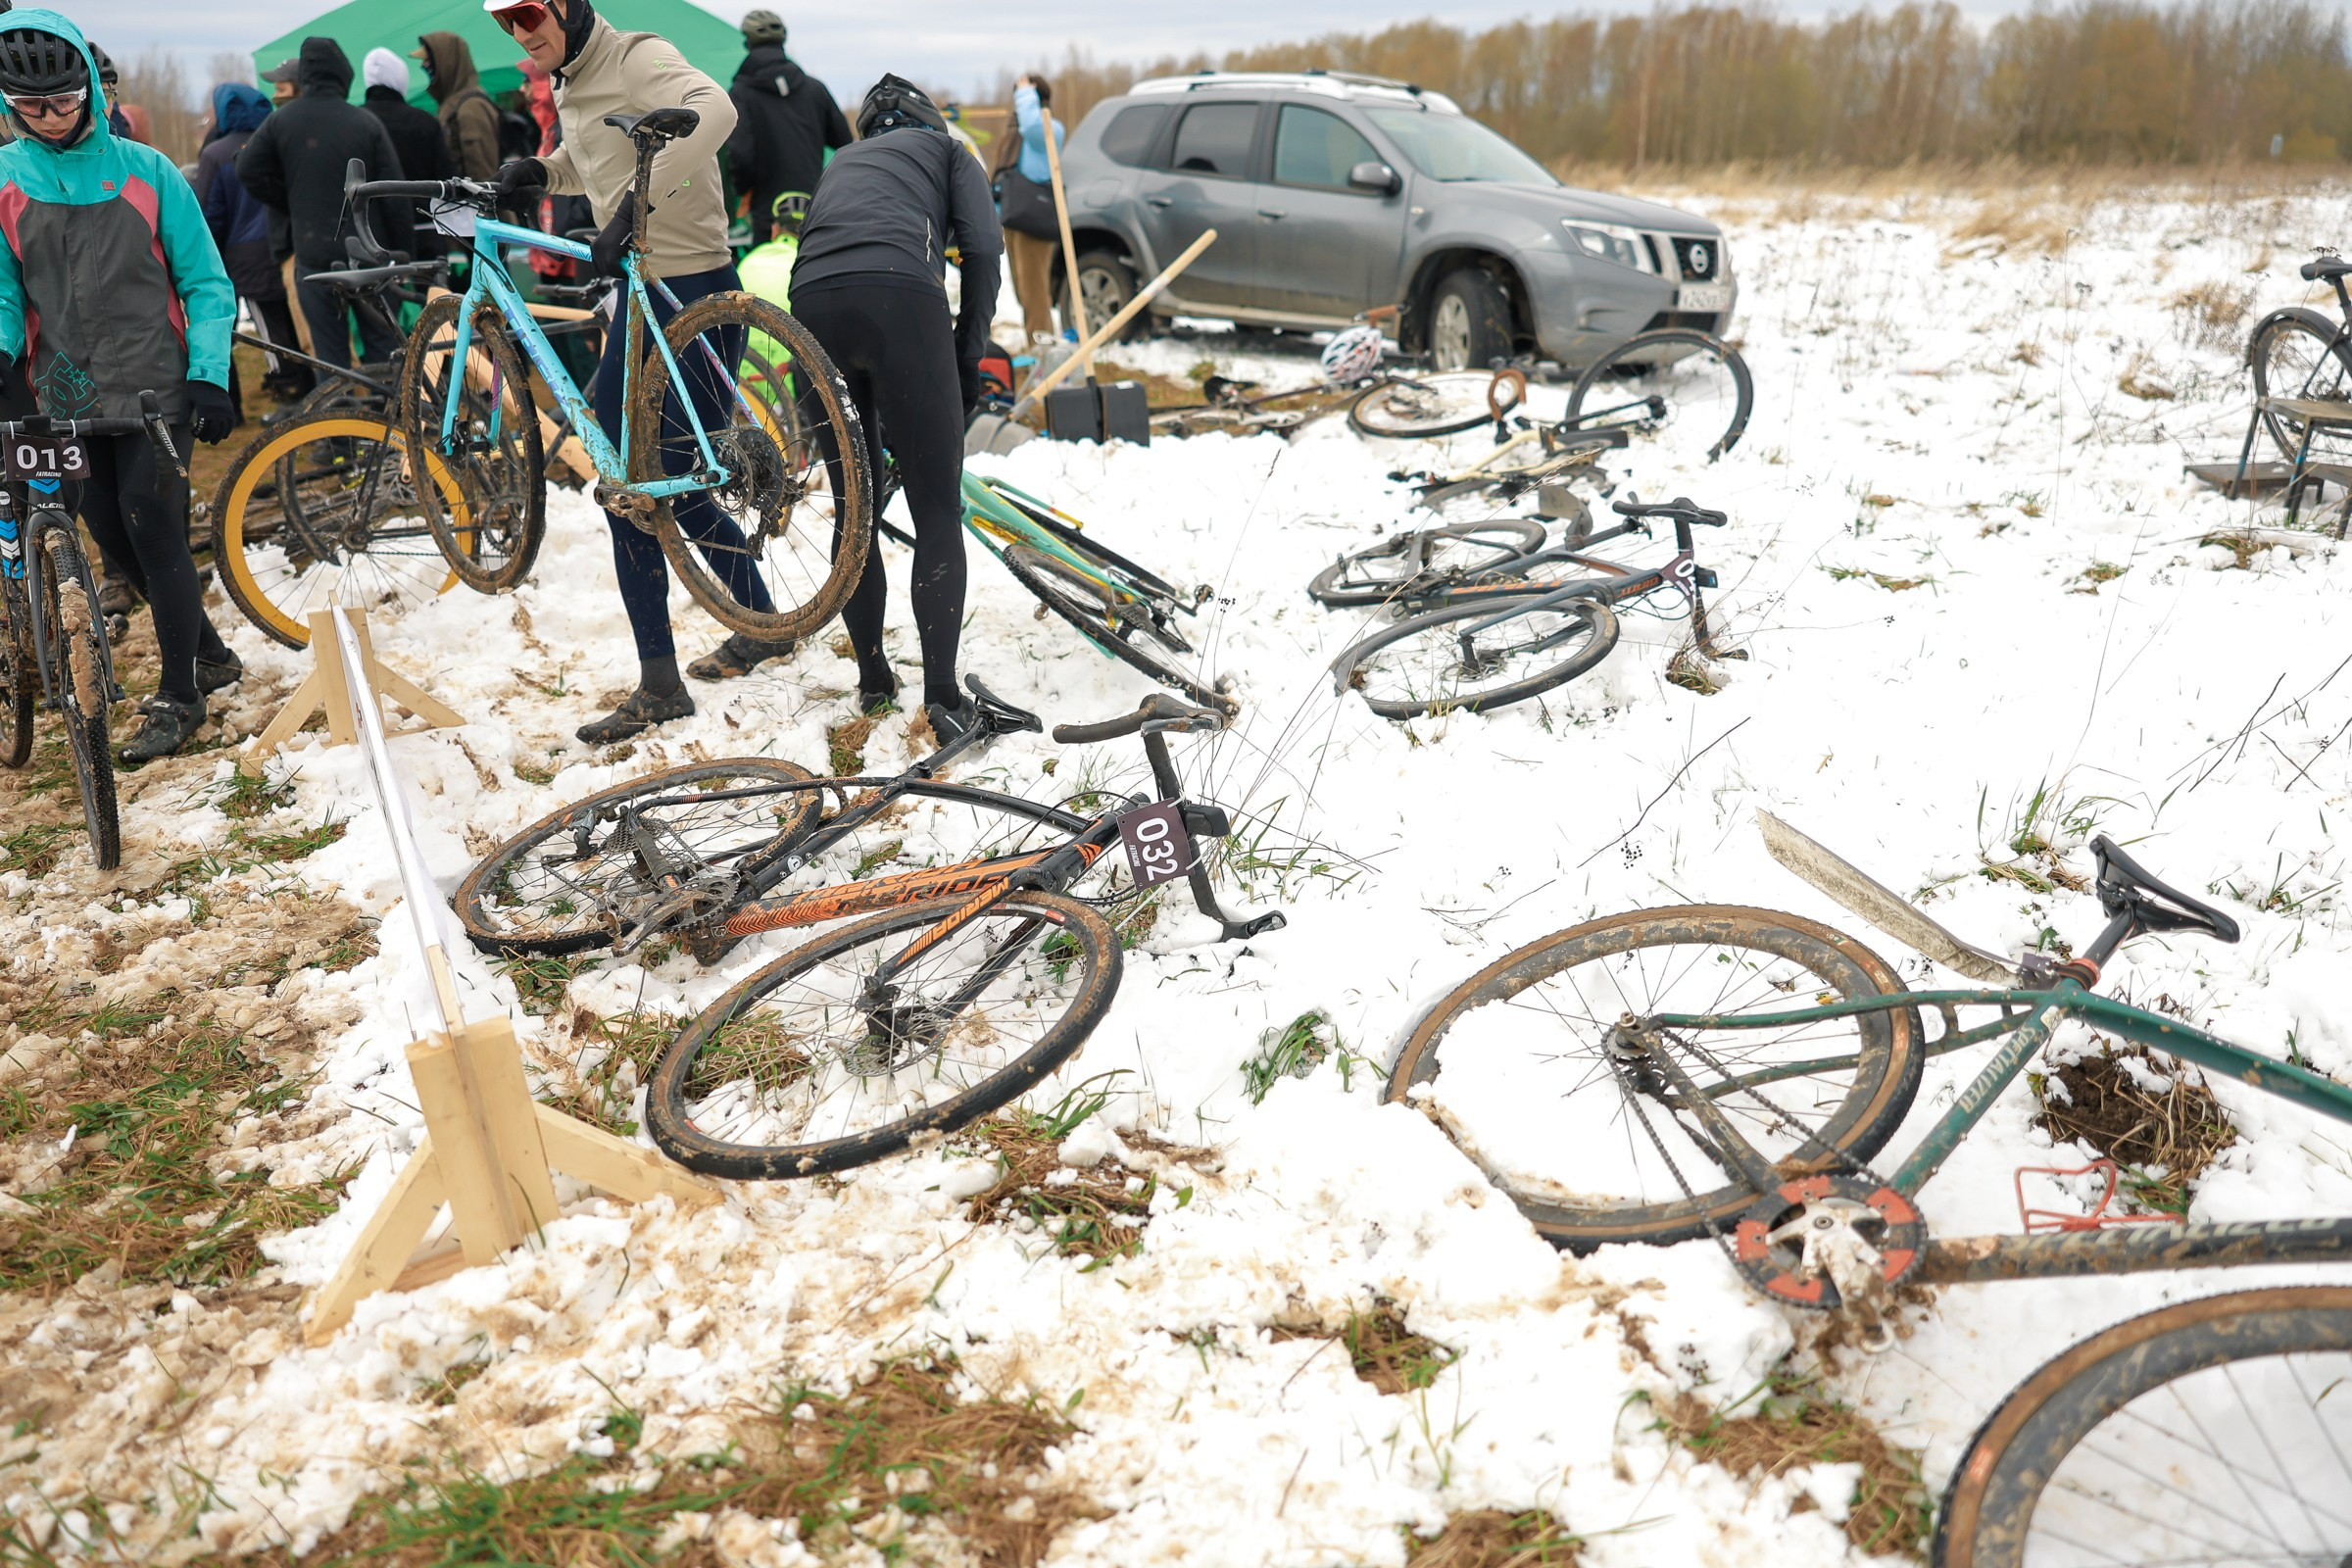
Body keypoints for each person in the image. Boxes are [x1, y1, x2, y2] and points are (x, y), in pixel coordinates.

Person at [488, 0, 799, 744]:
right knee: (644, 478)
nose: (522, 32)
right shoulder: (569, 79)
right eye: (506, 23)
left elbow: (714, 111)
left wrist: (637, 205)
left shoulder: (635, 57)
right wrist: (541, 170)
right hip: (641, 287)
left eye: (529, 13)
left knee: (643, 478)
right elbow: (593, 163)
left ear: (567, 4)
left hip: (689, 283)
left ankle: (674, 675)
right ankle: (750, 627)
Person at [0, 10, 243, 764]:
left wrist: (209, 375)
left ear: (89, 92)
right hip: (62, 395)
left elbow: (204, 281)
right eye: (31, 106)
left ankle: (180, 696)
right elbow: (7, 294)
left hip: (153, 388)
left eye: (64, 101)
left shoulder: (150, 173)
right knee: (105, 531)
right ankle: (210, 652)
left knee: (153, 526)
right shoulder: (5, 183)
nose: (50, 117)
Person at [792, 74, 1002, 740]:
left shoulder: (842, 162)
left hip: (811, 309)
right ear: (930, 122)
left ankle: (874, 678)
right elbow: (984, 250)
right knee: (936, 507)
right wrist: (968, 361)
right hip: (903, 299)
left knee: (856, 506)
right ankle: (941, 697)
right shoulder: (948, 153)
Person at [237, 38, 414, 375]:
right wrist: (404, 253)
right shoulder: (363, 122)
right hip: (368, 256)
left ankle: (338, 425)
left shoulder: (282, 122)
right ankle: (384, 421)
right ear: (342, 75)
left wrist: (290, 198)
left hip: (313, 253)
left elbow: (246, 168)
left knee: (330, 362)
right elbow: (394, 196)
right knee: (383, 352)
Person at [191, 83, 304, 406]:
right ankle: (305, 385)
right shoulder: (276, 141)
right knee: (294, 322)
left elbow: (210, 215)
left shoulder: (215, 154)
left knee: (269, 329)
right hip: (288, 248)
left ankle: (288, 393)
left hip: (245, 255)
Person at [722, 11, 848, 247]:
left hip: (767, 212)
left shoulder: (741, 93)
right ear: (783, 41)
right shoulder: (814, 89)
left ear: (747, 43)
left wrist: (742, 189)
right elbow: (843, 141)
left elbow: (741, 153)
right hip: (813, 205)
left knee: (769, 275)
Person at [361, 48, 454, 256]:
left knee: (379, 288)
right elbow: (445, 177)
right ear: (401, 78)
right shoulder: (425, 122)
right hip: (425, 227)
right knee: (432, 287)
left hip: (370, 233)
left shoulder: (355, 123)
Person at [998, 74, 1063, 345]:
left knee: (1035, 291)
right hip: (1014, 218)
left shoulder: (1049, 129)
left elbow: (1033, 127)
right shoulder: (1017, 136)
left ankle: (1043, 348)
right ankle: (1035, 343)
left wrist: (1026, 93)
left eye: (1022, 98)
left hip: (1034, 220)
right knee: (1024, 292)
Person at [414, 31, 500, 181]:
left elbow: (483, 173)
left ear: (446, 62)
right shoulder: (451, 103)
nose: (423, 65)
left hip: (472, 202)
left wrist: (479, 201)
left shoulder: (471, 106)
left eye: (428, 59)